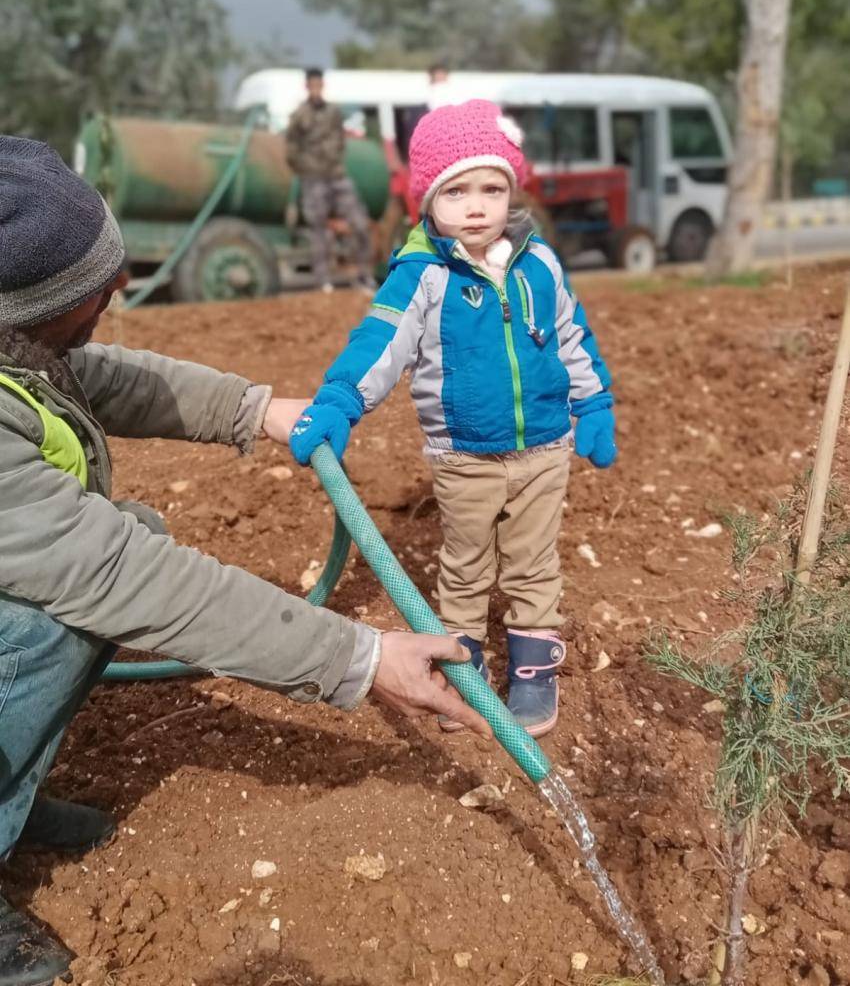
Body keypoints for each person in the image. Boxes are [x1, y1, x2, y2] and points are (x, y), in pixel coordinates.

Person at [0, 136, 488, 986]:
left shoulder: (19, 350)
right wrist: (363, 658)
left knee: (121, 546)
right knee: (56, 616)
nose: (118, 295)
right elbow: (119, 578)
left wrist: (258, 411)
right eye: (93, 294)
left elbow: (98, 377)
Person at [289, 99, 616, 741]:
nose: (476, 205)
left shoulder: (539, 264)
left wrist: (594, 402)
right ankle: (463, 669)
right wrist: (338, 402)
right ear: (427, 200)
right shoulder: (425, 275)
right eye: (456, 190)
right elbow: (379, 344)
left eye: (492, 188)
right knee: (466, 563)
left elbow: (571, 336)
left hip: (545, 448)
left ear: (511, 193)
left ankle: (533, 671)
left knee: (532, 562)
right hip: (463, 453)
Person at [285, 68, 374, 294]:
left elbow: (340, 140)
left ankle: (363, 274)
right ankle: (323, 280)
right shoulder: (299, 115)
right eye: (312, 84)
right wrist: (305, 168)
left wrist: (335, 159)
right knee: (318, 230)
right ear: (307, 86)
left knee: (360, 224)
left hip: (336, 175)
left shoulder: (333, 112)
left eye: (319, 84)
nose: (316, 89)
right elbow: (291, 149)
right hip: (313, 177)